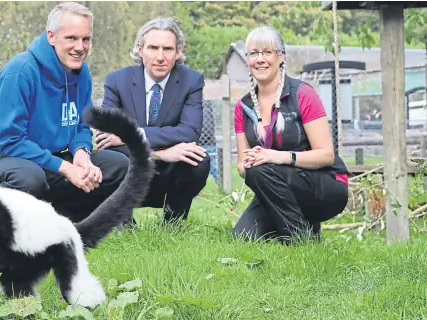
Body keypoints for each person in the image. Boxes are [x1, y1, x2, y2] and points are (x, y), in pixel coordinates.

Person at [0, 2, 129, 222]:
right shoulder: (20, 72)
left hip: (47, 158)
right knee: (29, 177)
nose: (80, 47)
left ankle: (67, 219)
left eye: (85, 39)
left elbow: (81, 125)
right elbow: (9, 140)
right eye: (71, 38)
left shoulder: (82, 72)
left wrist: (82, 153)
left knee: (117, 165)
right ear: (51, 37)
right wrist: (66, 169)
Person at [231, 26, 349, 244]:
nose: (260, 59)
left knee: (261, 170)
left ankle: (298, 240)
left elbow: (326, 156)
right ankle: (304, 227)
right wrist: (249, 163)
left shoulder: (302, 94)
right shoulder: (243, 107)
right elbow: (241, 165)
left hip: (324, 183)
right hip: (273, 184)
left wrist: (277, 157)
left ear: (281, 56)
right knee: (243, 237)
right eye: (254, 53)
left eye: (267, 52)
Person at [98, 17, 210, 224]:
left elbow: (190, 131)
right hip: (130, 171)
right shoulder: (117, 80)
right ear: (140, 50)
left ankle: (173, 224)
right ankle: (124, 224)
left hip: (169, 177)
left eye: (167, 49)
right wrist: (161, 154)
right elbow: (105, 136)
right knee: (110, 157)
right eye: (153, 48)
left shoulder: (192, 81)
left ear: (178, 53)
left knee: (199, 160)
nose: (160, 56)